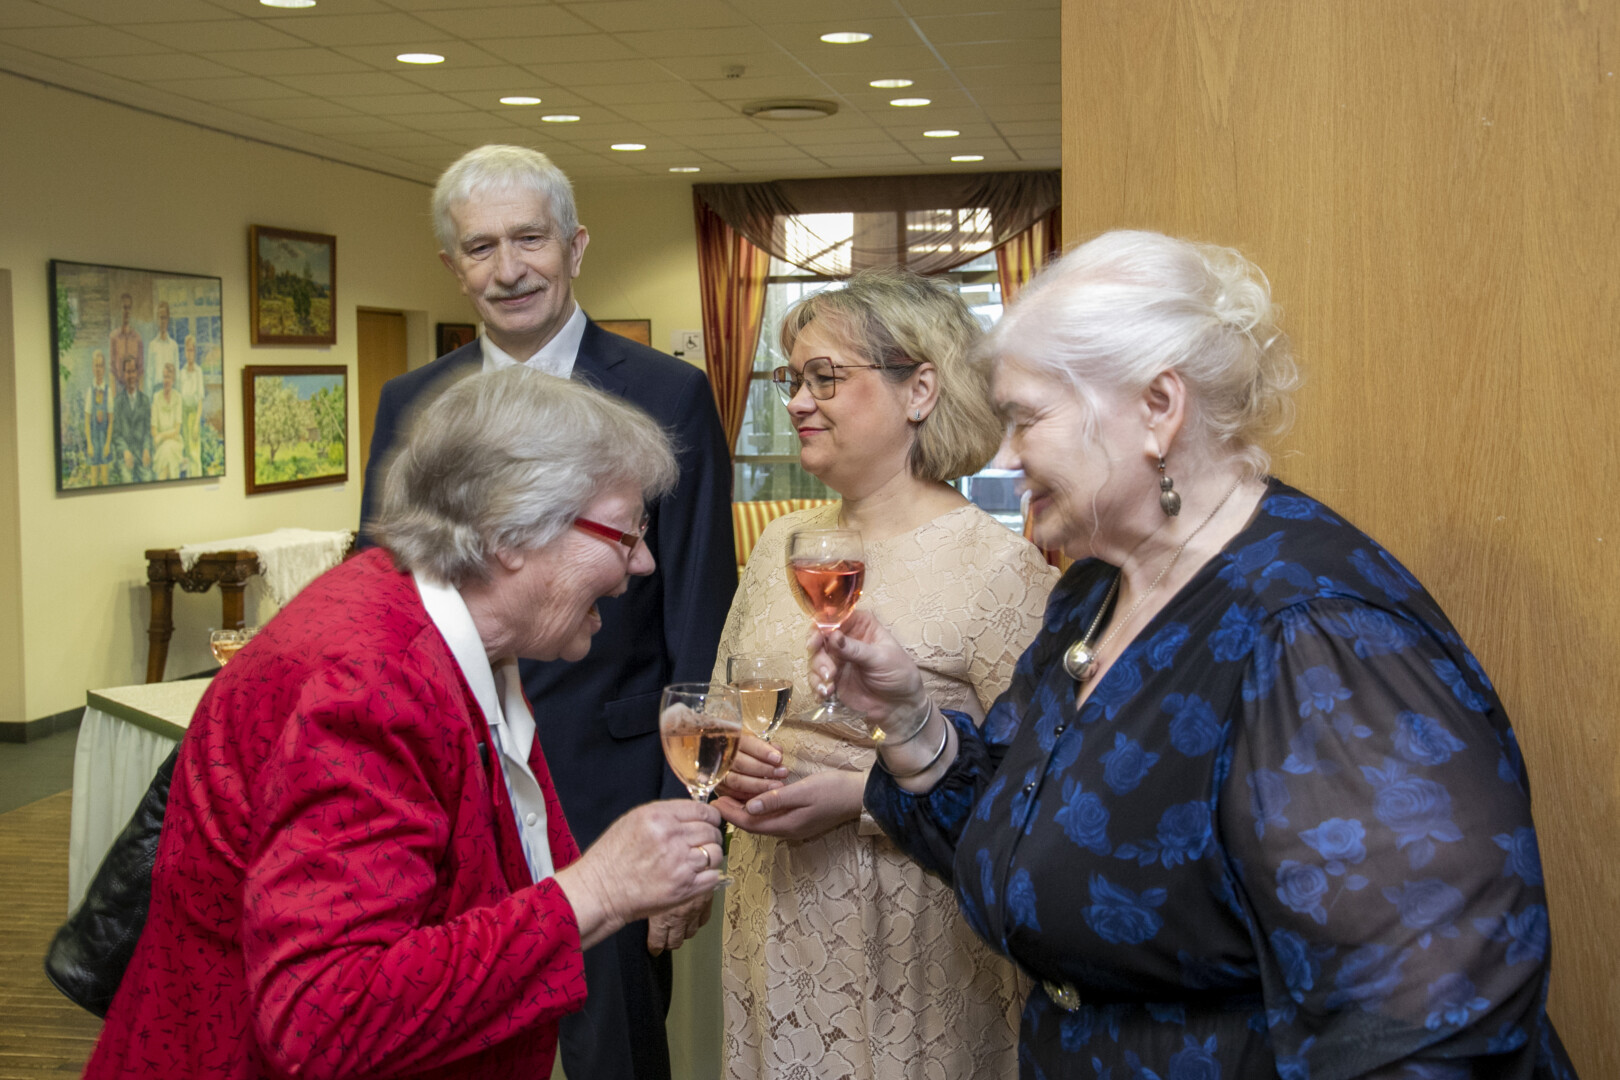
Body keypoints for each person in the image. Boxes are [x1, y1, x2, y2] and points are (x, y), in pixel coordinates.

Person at [819, 231, 1579, 1078]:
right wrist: (910, 725)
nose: (1005, 456)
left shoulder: (1314, 631)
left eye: (1026, 418)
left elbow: (1429, 1026)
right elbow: (1032, 858)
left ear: (1158, 407)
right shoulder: (1093, 593)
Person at [83, 367, 726, 1080]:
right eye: (626, 533)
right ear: (510, 533)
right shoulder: (373, 684)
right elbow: (322, 1019)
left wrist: (615, 887)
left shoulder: (459, 634)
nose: (645, 562)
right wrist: (596, 893)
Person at [358, 144, 735, 1080]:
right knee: (451, 1037)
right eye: (480, 247)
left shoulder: (668, 393)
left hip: (610, 787)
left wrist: (693, 819)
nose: (509, 269)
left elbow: (702, 619)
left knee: (616, 1051)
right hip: (445, 783)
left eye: (529, 239)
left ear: (576, 246)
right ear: (452, 266)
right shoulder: (410, 403)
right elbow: (384, 593)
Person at [711, 270, 1058, 1080]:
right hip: (774, 915)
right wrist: (729, 765)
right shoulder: (781, 546)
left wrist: (860, 799)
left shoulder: (997, 566)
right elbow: (723, 703)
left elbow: (1035, 789)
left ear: (920, 391)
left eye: (825, 377)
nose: (799, 401)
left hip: (913, 931)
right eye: (792, 380)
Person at [110, 353, 151, 483]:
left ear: (137, 373)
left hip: (141, 454)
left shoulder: (145, 401)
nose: (131, 376)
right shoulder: (117, 402)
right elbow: (116, 435)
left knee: (148, 479)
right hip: (125, 457)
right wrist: (125, 451)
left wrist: (146, 449)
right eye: (128, 372)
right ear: (123, 374)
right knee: (127, 480)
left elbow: (148, 431)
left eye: (133, 371)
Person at [83, 349, 113, 485]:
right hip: (94, 440)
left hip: (104, 439)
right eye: (96, 366)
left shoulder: (108, 391)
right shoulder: (90, 391)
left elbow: (110, 421)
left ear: (104, 368)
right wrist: (89, 444)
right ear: (92, 367)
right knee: (94, 477)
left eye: (101, 366)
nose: (98, 369)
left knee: (105, 477)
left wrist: (107, 444)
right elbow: (87, 421)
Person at [150, 360, 183, 480]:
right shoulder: (156, 397)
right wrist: (160, 438)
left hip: (175, 443)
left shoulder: (178, 398)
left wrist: (162, 436)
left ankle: (161, 481)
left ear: (173, 379)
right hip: (159, 444)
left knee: (168, 450)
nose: (166, 380)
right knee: (166, 451)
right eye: (164, 377)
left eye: (168, 377)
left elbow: (176, 430)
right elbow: (153, 429)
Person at [178, 334, 204, 475]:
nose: (190, 354)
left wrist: (196, 424)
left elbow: (200, 399)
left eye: (192, 350)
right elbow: (179, 396)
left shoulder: (198, 372)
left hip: (193, 413)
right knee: (186, 451)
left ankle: (197, 476)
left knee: (194, 451)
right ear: (184, 352)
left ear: (195, 352)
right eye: (188, 350)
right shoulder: (181, 372)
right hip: (183, 413)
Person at [108, 292, 142, 391]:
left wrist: (140, 394)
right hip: (119, 386)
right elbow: (112, 370)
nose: (127, 311)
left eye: (129, 308)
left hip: (134, 387)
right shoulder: (114, 337)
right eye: (124, 308)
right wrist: (114, 394)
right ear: (120, 310)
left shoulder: (137, 338)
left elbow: (141, 370)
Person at [147, 300, 179, 394]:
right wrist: (150, 397)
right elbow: (149, 375)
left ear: (168, 319)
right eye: (160, 318)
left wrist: (177, 393)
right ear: (157, 320)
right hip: (157, 390)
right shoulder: (152, 345)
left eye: (165, 318)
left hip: (171, 391)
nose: (162, 321)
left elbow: (177, 373)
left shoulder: (173, 346)